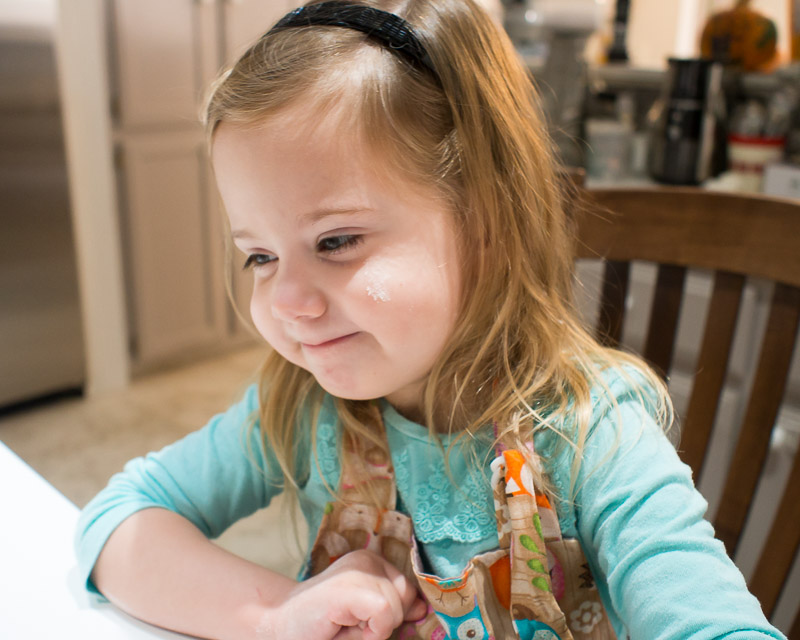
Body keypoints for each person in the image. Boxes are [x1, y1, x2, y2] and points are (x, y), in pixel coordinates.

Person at [75, 1, 787, 639]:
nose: (287, 300)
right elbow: (117, 524)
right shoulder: (305, 411)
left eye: (336, 242)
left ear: (486, 223)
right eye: (258, 256)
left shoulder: (591, 432)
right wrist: (272, 614)